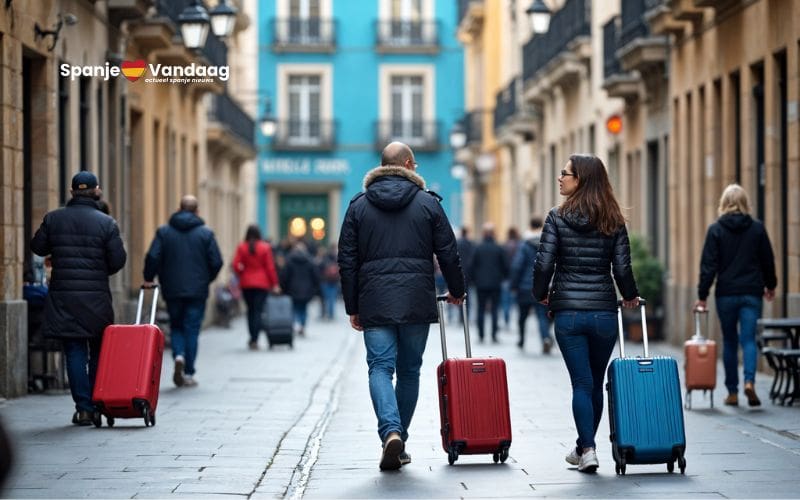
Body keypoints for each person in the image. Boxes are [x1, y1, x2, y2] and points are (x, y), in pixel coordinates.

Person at [338, 142, 465, 471]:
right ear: (408, 164)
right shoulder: (428, 204)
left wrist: (353, 305)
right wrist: (457, 290)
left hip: (375, 301)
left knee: (380, 368)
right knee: (409, 371)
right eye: (416, 165)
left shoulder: (358, 207)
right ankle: (400, 438)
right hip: (415, 300)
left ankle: (390, 431)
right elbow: (448, 252)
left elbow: (346, 261)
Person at [533, 155, 639, 473]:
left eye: (565, 173)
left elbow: (543, 263)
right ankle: (584, 447)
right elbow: (622, 267)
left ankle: (588, 449)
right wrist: (631, 296)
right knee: (594, 384)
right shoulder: (613, 219)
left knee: (581, 383)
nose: (560, 178)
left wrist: (540, 294)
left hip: (568, 314)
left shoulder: (556, 217)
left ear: (580, 179)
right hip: (604, 313)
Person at [30, 171, 127, 425]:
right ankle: (96, 402)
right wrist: (98, 269)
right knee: (96, 350)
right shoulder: (107, 223)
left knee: (74, 351)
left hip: (64, 297)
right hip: (96, 298)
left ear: (72, 192)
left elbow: (38, 247)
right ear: (97, 191)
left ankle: (83, 408)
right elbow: (117, 261)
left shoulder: (54, 219)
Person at [695, 184, 776, 407]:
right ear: (744, 203)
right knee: (748, 339)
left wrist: (702, 295)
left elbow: (708, 266)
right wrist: (771, 285)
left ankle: (732, 391)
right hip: (751, 292)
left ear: (723, 203)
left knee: (730, 341)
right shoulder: (757, 229)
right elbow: (767, 261)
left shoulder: (716, 230)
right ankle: (749, 381)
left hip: (726, 295)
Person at [143, 195, 222, 388]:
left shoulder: (164, 232)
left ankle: (178, 355)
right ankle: (188, 372)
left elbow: (153, 256)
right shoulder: (206, 234)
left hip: (172, 289)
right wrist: (205, 279)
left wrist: (148, 277)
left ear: (179, 209)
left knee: (176, 325)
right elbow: (217, 262)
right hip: (197, 290)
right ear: (197, 211)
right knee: (192, 329)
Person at [232, 224, 280, 350]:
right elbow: (270, 268)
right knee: (258, 311)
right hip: (262, 284)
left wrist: (242, 273)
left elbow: (236, 265)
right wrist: (274, 284)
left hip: (246, 284)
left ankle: (252, 337)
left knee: (250, 310)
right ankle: (255, 339)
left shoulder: (242, 247)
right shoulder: (265, 247)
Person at [510, 217, 553, 353]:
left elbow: (517, 266)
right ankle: (545, 338)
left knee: (522, 316)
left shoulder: (524, 244)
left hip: (524, 287)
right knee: (541, 315)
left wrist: (514, 285)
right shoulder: (547, 242)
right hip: (542, 285)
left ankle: (522, 339)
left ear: (530, 226)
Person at [470, 222, 508, 343]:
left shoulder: (478, 248)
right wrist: (503, 277)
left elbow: (471, 266)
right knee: (495, 309)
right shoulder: (498, 248)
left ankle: (481, 335)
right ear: (493, 234)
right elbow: (505, 266)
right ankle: (493, 335)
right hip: (495, 283)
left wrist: (473, 280)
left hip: (480, 284)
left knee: (480, 309)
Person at [279, 242, 320, 336]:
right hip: (306, 290)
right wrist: (314, 289)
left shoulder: (289, 260)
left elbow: (284, 276)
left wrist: (283, 288)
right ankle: (302, 325)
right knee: (303, 308)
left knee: (293, 308)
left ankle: (294, 324)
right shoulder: (310, 260)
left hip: (292, 289)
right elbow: (316, 276)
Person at [501, 227, 521, 328]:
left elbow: (502, 263)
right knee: (515, 301)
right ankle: (515, 320)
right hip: (516, 278)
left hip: (505, 277)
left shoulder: (504, 246)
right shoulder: (520, 246)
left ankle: (506, 319)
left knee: (505, 301)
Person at [456, 227, 476, 324]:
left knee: (459, 295)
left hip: (458, 272)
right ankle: (465, 315)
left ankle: (461, 316)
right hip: (468, 273)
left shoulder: (457, 243)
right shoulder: (470, 244)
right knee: (467, 296)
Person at [318, 243, 340, 320]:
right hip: (334, 281)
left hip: (325, 281)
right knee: (332, 298)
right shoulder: (338, 258)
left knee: (326, 298)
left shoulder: (324, 258)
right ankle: (331, 314)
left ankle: (325, 313)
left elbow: (319, 269)